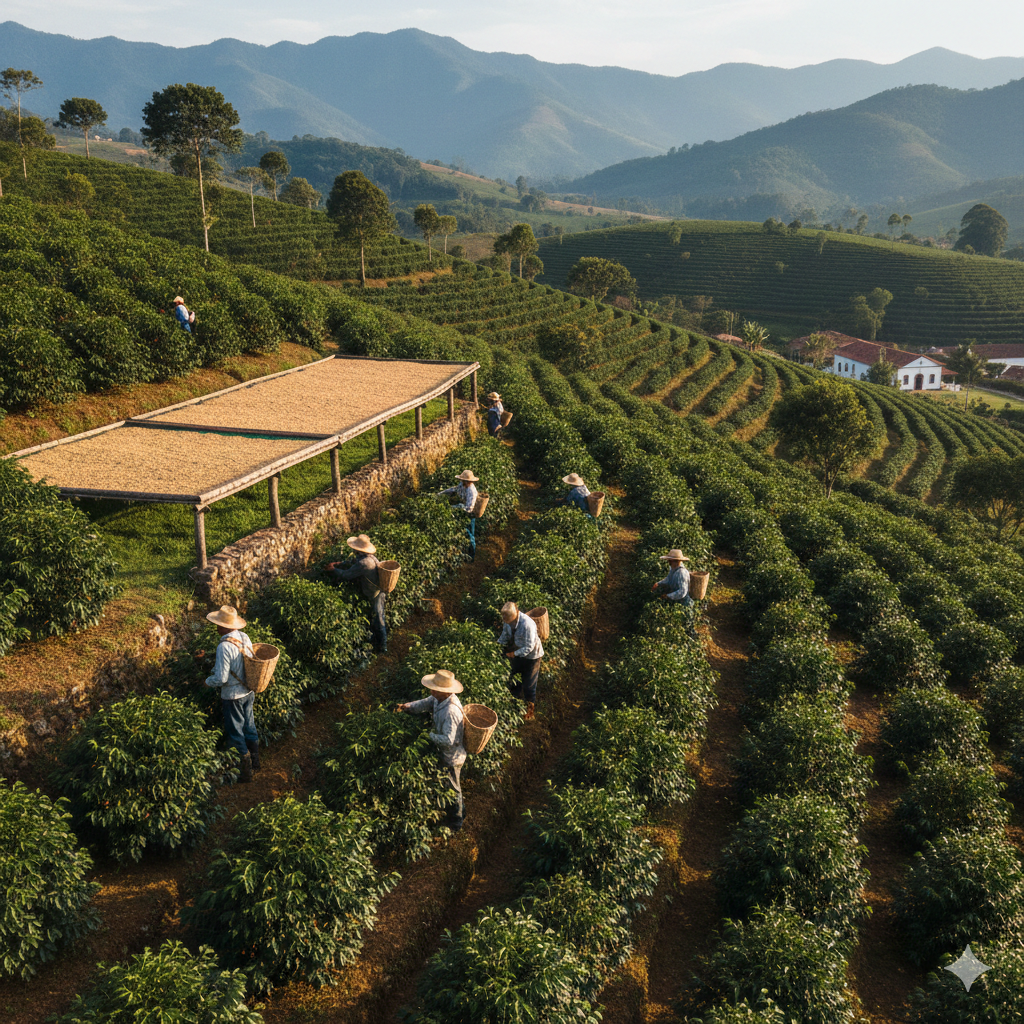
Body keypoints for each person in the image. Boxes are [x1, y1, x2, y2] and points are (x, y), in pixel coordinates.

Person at [395, 669, 466, 831]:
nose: (431, 690)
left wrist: (429, 736)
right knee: (447, 785)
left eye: (434, 688)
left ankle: (456, 821)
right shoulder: (438, 699)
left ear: (444, 691)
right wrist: (407, 707)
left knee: (453, 788)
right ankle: (459, 813)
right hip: (444, 752)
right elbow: (424, 703)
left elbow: (448, 740)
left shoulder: (451, 711)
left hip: (452, 757)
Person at [203, 605, 258, 783]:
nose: (216, 627)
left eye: (218, 624)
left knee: (236, 732)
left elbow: (221, 678)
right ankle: (256, 762)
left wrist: (206, 682)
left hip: (233, 696)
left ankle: (245, 772)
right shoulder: (244, 637)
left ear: (225, 626)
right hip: (248, 690)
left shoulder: (224, 646)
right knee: (249, 725)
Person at [326, 534, 387, 653]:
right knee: (376, 617)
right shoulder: (367, 557)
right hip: (375, 591)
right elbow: (352, 562)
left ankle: (383, 646)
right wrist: (339, 563)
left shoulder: (364, 563)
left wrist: (333, 570)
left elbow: (346, 575)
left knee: (379, 619)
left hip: (376, 594)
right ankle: (376, 639)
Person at [497, 601, 543, 720]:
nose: (509, 624)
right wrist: (497, 646)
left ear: (517, 613)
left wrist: (514, 653)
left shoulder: (527, 624)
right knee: (515, 679)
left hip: (533, 656)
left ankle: (530, 712)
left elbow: (529, 646)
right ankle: (514, 707)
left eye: (511, 622)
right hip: (518, 654)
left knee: (529, 684)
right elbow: (505, 636)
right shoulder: (507, 621)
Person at [439, 469, 479, 560]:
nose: (461, 482)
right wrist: (441, 494)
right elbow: (454, 489)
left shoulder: (471, 491)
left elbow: (469, 508)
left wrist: (456, 507)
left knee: (470, 535)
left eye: (463, 480)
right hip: (463, 512)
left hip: (469, 514)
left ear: (468, 481)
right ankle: (466, 552)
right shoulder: (462, 485)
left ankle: (471, 556)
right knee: (465, 533)